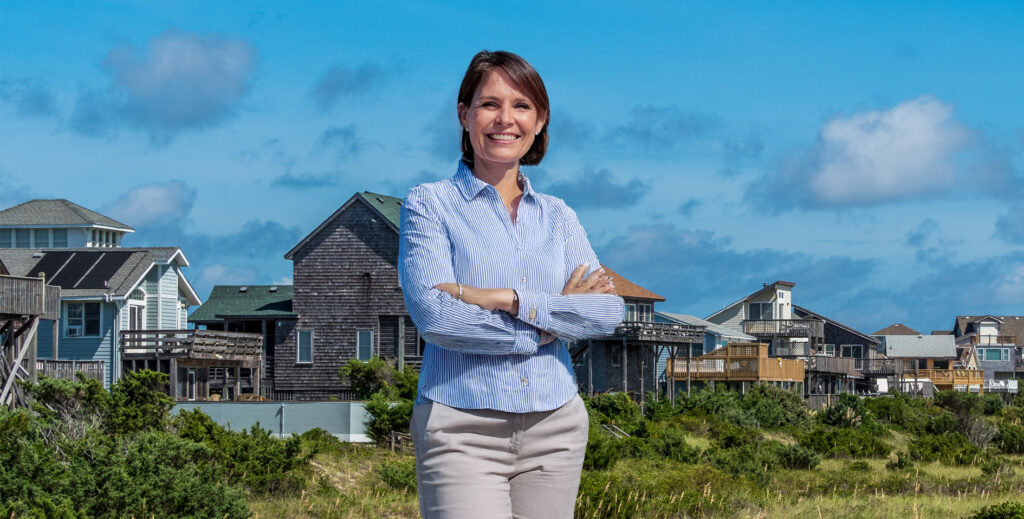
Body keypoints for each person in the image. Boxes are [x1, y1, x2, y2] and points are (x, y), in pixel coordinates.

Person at [399, 50, 624, 519]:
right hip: (461, 428)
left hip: (556, 424)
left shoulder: (559, 216)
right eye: (489, 104)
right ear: (464, 114)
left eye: (521, 106)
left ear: (540, 121)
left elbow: (607, 312)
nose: (505, 119)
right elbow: (436, 317)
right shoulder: (429, 205)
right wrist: (547, 326)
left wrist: (508, 299)